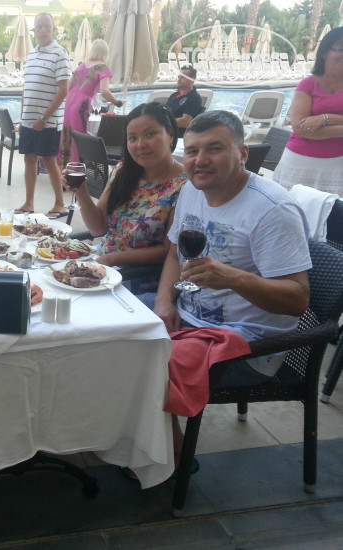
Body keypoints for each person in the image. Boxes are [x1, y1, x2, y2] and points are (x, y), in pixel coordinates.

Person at [153, 110, 310, 466]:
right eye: (192, 151)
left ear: (243, 153)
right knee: (111, 331)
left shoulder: (273, 210)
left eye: (215, 148)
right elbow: (175, 253)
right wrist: (164, 302)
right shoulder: (191, 191)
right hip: (187, 319)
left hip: (245, 345)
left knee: (143, 361)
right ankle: (123, 429)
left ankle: (170, 454)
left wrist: (233, 278)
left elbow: (298, 300)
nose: (200, 160)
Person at [75, 103, 187, 291]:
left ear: (171, 135)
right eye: (132, 138)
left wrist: (111, 259)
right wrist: (80, 189)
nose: (140, 145)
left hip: (141, 278)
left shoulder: (184, 185)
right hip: (104, 262)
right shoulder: (123, 170)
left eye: (150, 134)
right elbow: (97, 229)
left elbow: (168, 250)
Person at [273, 26, 343, 196]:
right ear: (325, 52)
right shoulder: (307, 84)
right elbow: (300, 128)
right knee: (291, 208)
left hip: (339, 164)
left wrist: (325, 118)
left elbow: (311, 128)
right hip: (301, 162)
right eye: (340, 49)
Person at [16, 12, 72, 219]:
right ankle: (28, 203)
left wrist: (44, 118)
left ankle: (60, 204)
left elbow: (64, 90)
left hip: (48, 122)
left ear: (54, 29)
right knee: (29, 160)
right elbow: (26, 89)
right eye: (39, 26)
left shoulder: (60, 54)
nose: (43, 30)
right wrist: (23, 118)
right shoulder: (31, 54)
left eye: (47, 26)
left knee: (49, 161)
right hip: (29, 120)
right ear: (34, 30)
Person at [60, 39, 123, 166]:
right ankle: (77, 167)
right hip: (82, 104)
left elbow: (68, 87)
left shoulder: (82, 66)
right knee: (79, 137)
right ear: (105, 52)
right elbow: (104, 92)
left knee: (67, 135)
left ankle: (64, 167)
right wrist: (117, 102)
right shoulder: (103, 68)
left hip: (69, 102)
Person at [166, 66, 202, 133]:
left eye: (183, 77)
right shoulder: (174, 95)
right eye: (178, 77)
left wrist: (161, 123)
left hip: (177, 134)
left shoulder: (194, 98)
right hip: (166, 130)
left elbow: (185, 122)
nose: (179, 80)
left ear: (192, 79)